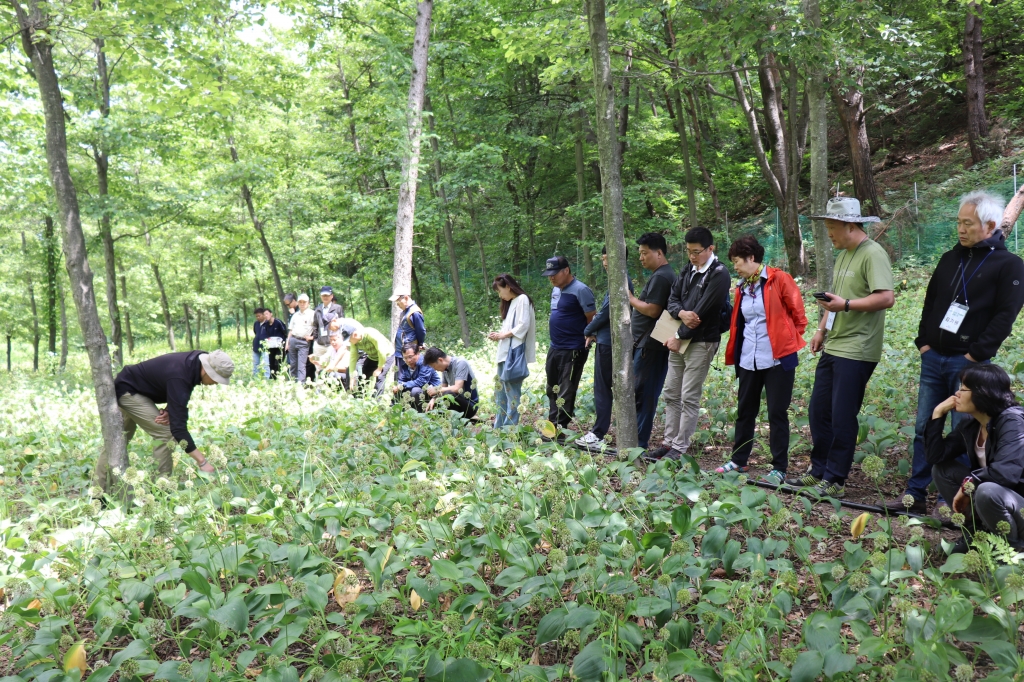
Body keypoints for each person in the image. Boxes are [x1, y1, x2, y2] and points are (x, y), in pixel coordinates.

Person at [883, 190, 1024, 515]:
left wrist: (975, 355)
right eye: (958, 222)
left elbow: (1006, 315)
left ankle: (951, 503)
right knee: (924, 425)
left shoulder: (1009, 265)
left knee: (962, 431)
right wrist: (923, 342)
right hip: (934, 358)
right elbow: (931, 302)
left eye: (967, 223)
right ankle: (914, 495)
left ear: (990, 225)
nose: (960, 229)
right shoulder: (950, 258)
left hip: (969, 365)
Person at [786, 197, 895, 499]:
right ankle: (818, 471)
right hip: (834, 345)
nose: (829, 234)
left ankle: (835, 479)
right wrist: (821, 329)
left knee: (841, 415)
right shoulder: (843, 254)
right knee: (818, 411)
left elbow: (886, 297)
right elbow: (835, 299)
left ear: (850, 225)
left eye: (832, 228)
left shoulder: (872, 254)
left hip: (858, 349)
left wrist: (846, 305)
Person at [719, 236, 808, 484]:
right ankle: (739, 461)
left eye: (737, 261)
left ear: (750, 258)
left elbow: (799, 315)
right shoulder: (741, 287)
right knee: (745, 410)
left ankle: (779, 467)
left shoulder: (779, 279)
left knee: (777, 413)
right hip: (749, 357)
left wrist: (786, 339)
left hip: (778, 359)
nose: (734, 266)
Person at [94, 349, 235, 487]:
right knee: (165, 433)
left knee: (117, 440)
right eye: (216, 378)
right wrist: (202, 462)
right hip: (128, 390)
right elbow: (178, 428)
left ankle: (99, 489)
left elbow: (176, 389)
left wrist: (170, 409)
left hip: (133, 385)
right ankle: (161, 488)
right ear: (206, 370)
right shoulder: (181, 376)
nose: (216, 383)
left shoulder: (197, 360)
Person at [650, 227, 731, 461]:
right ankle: (668, 442)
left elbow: (704, 312)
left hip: (702, 341)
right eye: (688, 251)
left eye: (697, 252)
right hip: (678, 337)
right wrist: (682, 313)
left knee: (689, 395)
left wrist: (679, 334)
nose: (692, 256)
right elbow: (672, 300)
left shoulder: (719, 273)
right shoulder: (688, 269)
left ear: (710, 249)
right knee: (671, 392)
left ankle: (680, 447)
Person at [926, 364, 1024, 552]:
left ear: (983, 393)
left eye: (963, 389)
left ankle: (1009, 552)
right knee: (943, 470)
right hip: (997, 504)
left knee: (987, 490)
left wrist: (969, 483)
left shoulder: (1013, 421)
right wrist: (938, 414)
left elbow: (1006, 473)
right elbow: (936, 456)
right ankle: (974, 537)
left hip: (1018, 507)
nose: (957, 394)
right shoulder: (972, 424)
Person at [576, 248, 633, 449]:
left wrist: (589, 329)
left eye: (607, 259)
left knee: (602, 388)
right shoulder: (619, 281)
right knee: (604, 388)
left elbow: (605, 313)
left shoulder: (621, 281)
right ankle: (600, 431)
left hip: (609, 344)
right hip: (607, 341)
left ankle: (599, 433)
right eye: (602, 259)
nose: (605, 263)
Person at [627, 232, 676, 449]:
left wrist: (630, 299)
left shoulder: (662, 277)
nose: (641, 257)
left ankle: (639, 443)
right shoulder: (660, 274)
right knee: (641, 392)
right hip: (647, 344)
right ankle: (636, 439)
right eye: (640, 253)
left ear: (659, 252)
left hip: (651, 346)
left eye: (644, 253)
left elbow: (653, 310)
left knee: (645, 393)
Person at [541, 256, 596, 438]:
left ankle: (558, 429)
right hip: (555, 347)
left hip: (573, 349)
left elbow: (591, 317)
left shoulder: (581, 290)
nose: (551, 278)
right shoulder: (556, 291)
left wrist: (587, 335)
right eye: (549, 275)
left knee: (566, 389)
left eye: (554, 274)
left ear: (566, 271)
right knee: (552, 388)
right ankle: (551, 425)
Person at [488, 274, 537, 428]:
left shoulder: (522, 299)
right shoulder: (512, 302)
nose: (500, 295)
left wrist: (503, 335)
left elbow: (523, 325)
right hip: (504, 354)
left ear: (508, 287)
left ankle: (510, 430)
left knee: (512, 394)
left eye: (500, 290)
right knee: (500, 393)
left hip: (513, 353)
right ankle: (499, 428)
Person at [424, 347, 479, 420]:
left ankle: (454, 421)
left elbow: (457, 388)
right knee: (429, 393)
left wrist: (437, 389)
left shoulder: (461, 363)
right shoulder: (445, 369)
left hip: (470, 406)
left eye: (434, 366)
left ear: (440, 360)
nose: (434, 369)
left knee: (448, 394)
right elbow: (442, 389)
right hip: (457, 402)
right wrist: (434, 398)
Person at [341, 321, 394, 395]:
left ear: (355, 334)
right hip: (373, 357)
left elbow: (382, 351)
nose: (349, 342)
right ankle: (359, 397)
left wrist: (379, 368)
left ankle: (377, 402)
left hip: (386, 355)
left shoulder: (370, 334)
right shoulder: (354, 343)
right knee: (361, 373)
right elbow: (353, 358)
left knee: (380, 377)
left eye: (349, 339)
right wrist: (352, 377)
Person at [391, 342, 441, 411]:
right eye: (405, 358)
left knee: (415, 391)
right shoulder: (406, 365)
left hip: (433, 393)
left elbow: (421, 382)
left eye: (410, 357)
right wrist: (398, 386)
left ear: (418, 354)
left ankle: (423, 414)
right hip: (418, 394)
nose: (408, 360)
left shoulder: (425, 362)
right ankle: (396, 411)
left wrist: (402, 385)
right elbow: (403, 380)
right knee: (399, 390)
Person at [391, 289, 426, 373]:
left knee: (408, 376)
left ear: (406, 298)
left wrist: (420, 344)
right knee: (399, 376)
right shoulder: (405, 312)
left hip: (409, 353)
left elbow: (421, 330)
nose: (397, 304)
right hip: (400, 351)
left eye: (398, 301)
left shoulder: (415, 312)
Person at [312, 286, 345, 368]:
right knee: (318, 365)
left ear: (331, 296)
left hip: (333, 343)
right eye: (323, 295)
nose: (325, 297)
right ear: (321, 296)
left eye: (327, 295)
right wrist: (316, 339)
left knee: (333, 366)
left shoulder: (338, 308)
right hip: (320, 344)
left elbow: (342, 324)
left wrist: (339, 340)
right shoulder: (317, 309)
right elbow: (315, 325)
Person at [286, 293, 316, 383]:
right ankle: (293, 382)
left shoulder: (312, 314)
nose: (302, 304)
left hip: (303, 342)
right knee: (293, 364)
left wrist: (311, 337)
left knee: (301, 365)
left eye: (304, 302)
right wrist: (287, 343)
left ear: (308, 303)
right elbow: (291, 330)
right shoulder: (295, 315)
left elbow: (317, 329)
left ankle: (301, 384)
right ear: (298, 303)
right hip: (293, 340)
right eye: (300, 302)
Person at [262, 308, 288, 379]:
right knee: (271, 362)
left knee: (279, 361)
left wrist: (285, 342)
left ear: (271, 314)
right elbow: (265, 335)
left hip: (280, 346)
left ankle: (280, 376)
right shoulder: (266, 324)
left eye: (267, 314)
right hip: (271, 346)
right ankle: (273, 377)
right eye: (264, 315)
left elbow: (285, 332)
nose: (265, 316)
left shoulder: (278, 322)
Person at [251, 308, 269, 379]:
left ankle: (267, 378)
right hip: (256, 346)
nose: (258, 317)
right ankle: (256, 378)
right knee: (256, 364)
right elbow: (256, 332)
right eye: (256, 316)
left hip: (265, 347)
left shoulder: (268, 323)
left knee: (266, 364)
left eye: (259, 315)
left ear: (263, 315)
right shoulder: (256, 324)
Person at [283, 293, 298, 375]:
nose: (288, 306)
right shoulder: (291, 311)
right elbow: (290, 328)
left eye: (289, 304)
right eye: (286, 305)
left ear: (294, 301)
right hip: (291, 338)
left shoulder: (298, 310)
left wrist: (293, 314)